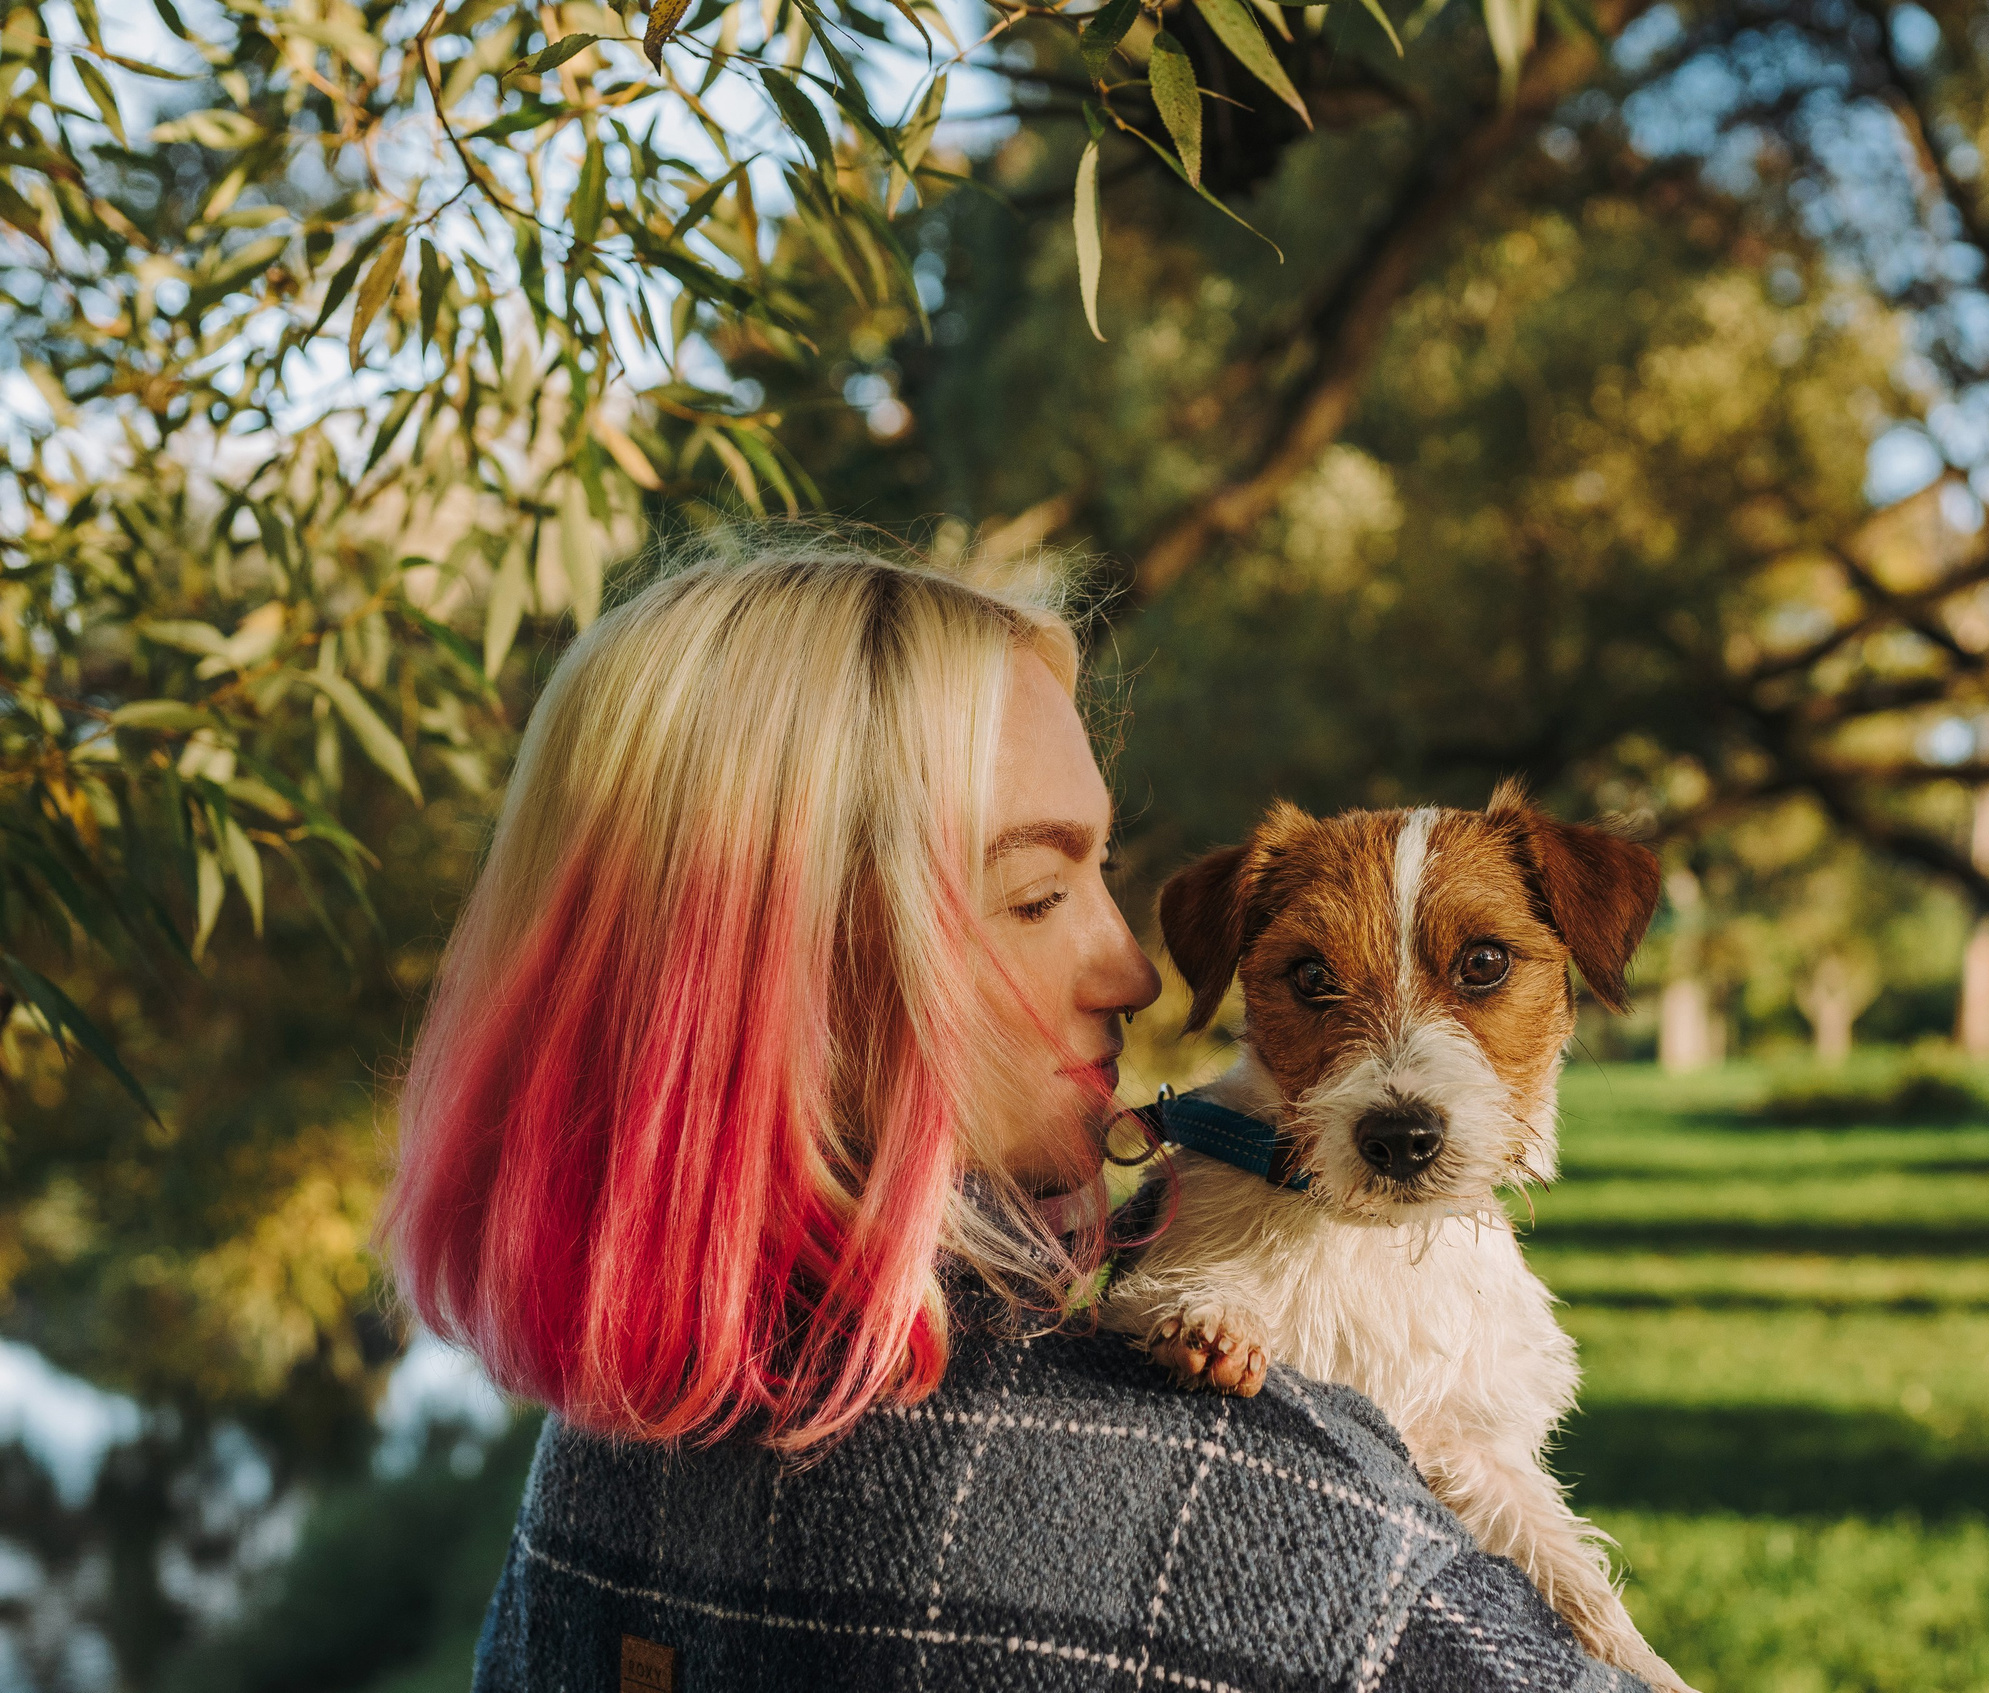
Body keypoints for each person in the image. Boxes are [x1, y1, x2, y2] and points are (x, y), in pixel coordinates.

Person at [382, 539, 1645, 1692]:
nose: (1136, 972)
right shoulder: (1271, 1519)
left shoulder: (594, 1460)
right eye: (1038, 895)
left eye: (1100, 870)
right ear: (808, 977)